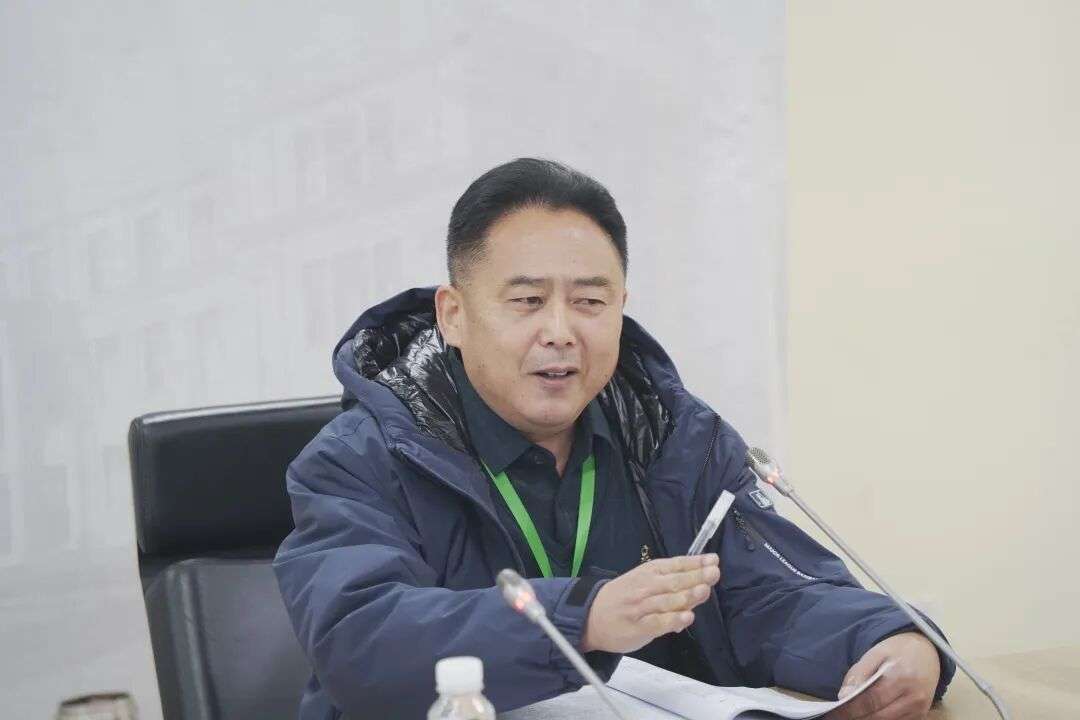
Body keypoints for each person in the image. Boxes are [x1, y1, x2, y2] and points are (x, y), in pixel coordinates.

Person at [273, 158, 954, 720]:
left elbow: (770, 595)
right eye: (527, 301)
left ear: (620, 310)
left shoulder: (677, 439)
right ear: (453, 315)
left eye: (590, 302)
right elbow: (360, 644)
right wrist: (584, 617)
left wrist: (892, 639)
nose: (560, 332)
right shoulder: (358, 460)